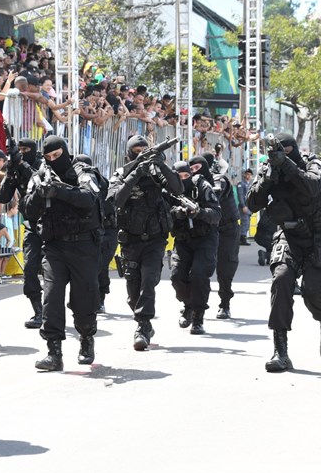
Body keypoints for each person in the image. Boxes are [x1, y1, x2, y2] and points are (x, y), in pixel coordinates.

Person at [247, 135, 321, 372]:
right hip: (288, 235)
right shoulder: (269, 167)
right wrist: (267, 179)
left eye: (286, 152)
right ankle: (281, 351)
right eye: (278, 153)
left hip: (318, 237)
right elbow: (253, 202)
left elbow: (314, 186)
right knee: (281, 280)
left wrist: (287, 164)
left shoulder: (313, 163)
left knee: (311, 289)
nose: (281, 156)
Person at [21, 135, 103, 371]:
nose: (53, 160)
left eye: (57, 156)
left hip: (84, 246)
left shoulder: (82, 172)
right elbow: (28, 210)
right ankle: (53, 352)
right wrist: (40, 192)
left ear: (65, 152)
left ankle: (86, 338)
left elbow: (89, 198)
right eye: (48, 157)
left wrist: (59, 191)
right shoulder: (40, 175)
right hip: (54, 246)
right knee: (52, 297)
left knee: (83, 300)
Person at [107, 135, 183, 351]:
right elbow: (114, 200)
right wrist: (135, 174)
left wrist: (161, 165)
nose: (141, 154)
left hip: (155, 239)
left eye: (144, 150)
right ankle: (143, 321)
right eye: (136, 151)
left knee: (149, 281)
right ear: (129, 154)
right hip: (130, 240)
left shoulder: (158, 174)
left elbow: (178, 189)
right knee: (133, 292)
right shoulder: (121, 173)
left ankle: (142, 326)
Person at [168, 159, 221, 336]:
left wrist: (199, 212)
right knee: (177, 276)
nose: (183, 179)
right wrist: (175, 213)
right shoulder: (169, 190)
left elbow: (216, 214)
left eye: (186, 176)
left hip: (205, 238)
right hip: (183, 239)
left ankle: (198, 317)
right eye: (179, 176)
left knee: (199, 275)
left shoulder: (202, 186)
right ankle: (188, 305)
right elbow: (161, 214)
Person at [0, 137, 45, 328]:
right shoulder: (16, 167)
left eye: (26, 149)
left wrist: (22, 163)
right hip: (32, 227)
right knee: (30, 270)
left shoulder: (43, 164)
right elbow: (3, 197)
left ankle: (55, 309)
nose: (22, 152)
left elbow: (40, 182)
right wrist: (11, 171)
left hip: (54, 226)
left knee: (56, 273)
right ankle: (38, 312)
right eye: (20, 150)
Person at [199, 153, 240, 320]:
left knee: (225, 268)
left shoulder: (219, 178)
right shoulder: (195, 181)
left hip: (227, 228)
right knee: (199, 268)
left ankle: (225, 303)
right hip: (208, 229)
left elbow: (217, 191)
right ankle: (194, 305)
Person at [75, 154, 117, 313]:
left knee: (100, 266)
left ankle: (100, 298)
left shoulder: (102, 182)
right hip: (89, 231)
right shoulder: (76, 183)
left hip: (107, 230)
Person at [237, 169, 253, 245]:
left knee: (247, 223)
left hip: (249, 207)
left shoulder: (250, 183)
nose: (248, 176)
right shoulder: (241, 184)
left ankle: (242, 238)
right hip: (243, 207)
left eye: (250, 175)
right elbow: (240, 196)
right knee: (245, 222)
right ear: (244, 175)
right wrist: (243, 206)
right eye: (247, 174)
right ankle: (242, 239)